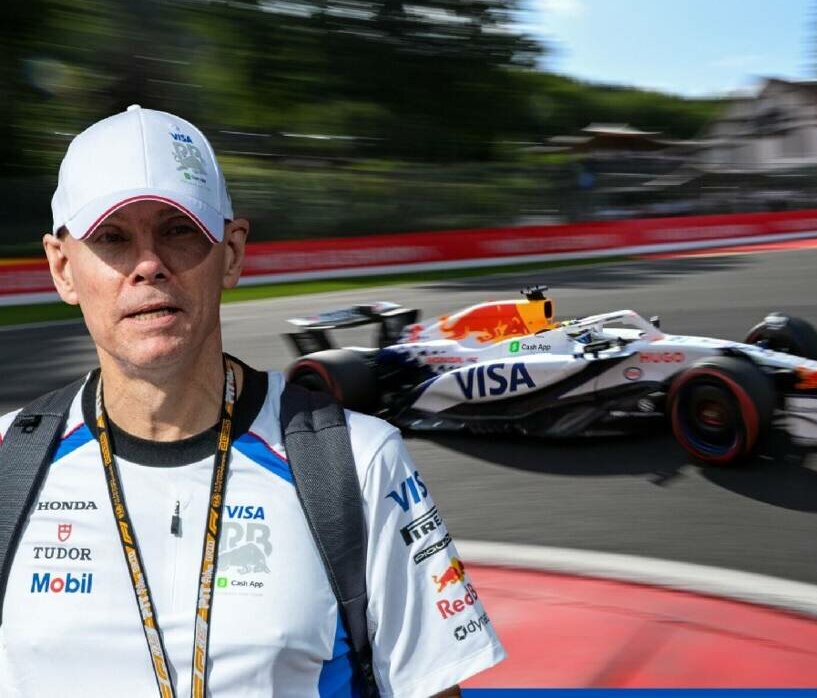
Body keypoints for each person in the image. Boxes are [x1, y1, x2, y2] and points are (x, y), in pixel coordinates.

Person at [0, 106, 504, 697]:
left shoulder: (360, 461)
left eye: (178, 229)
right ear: (62, 268)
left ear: (232, 252)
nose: (149, 266)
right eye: (112, 238)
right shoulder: (8, 461)